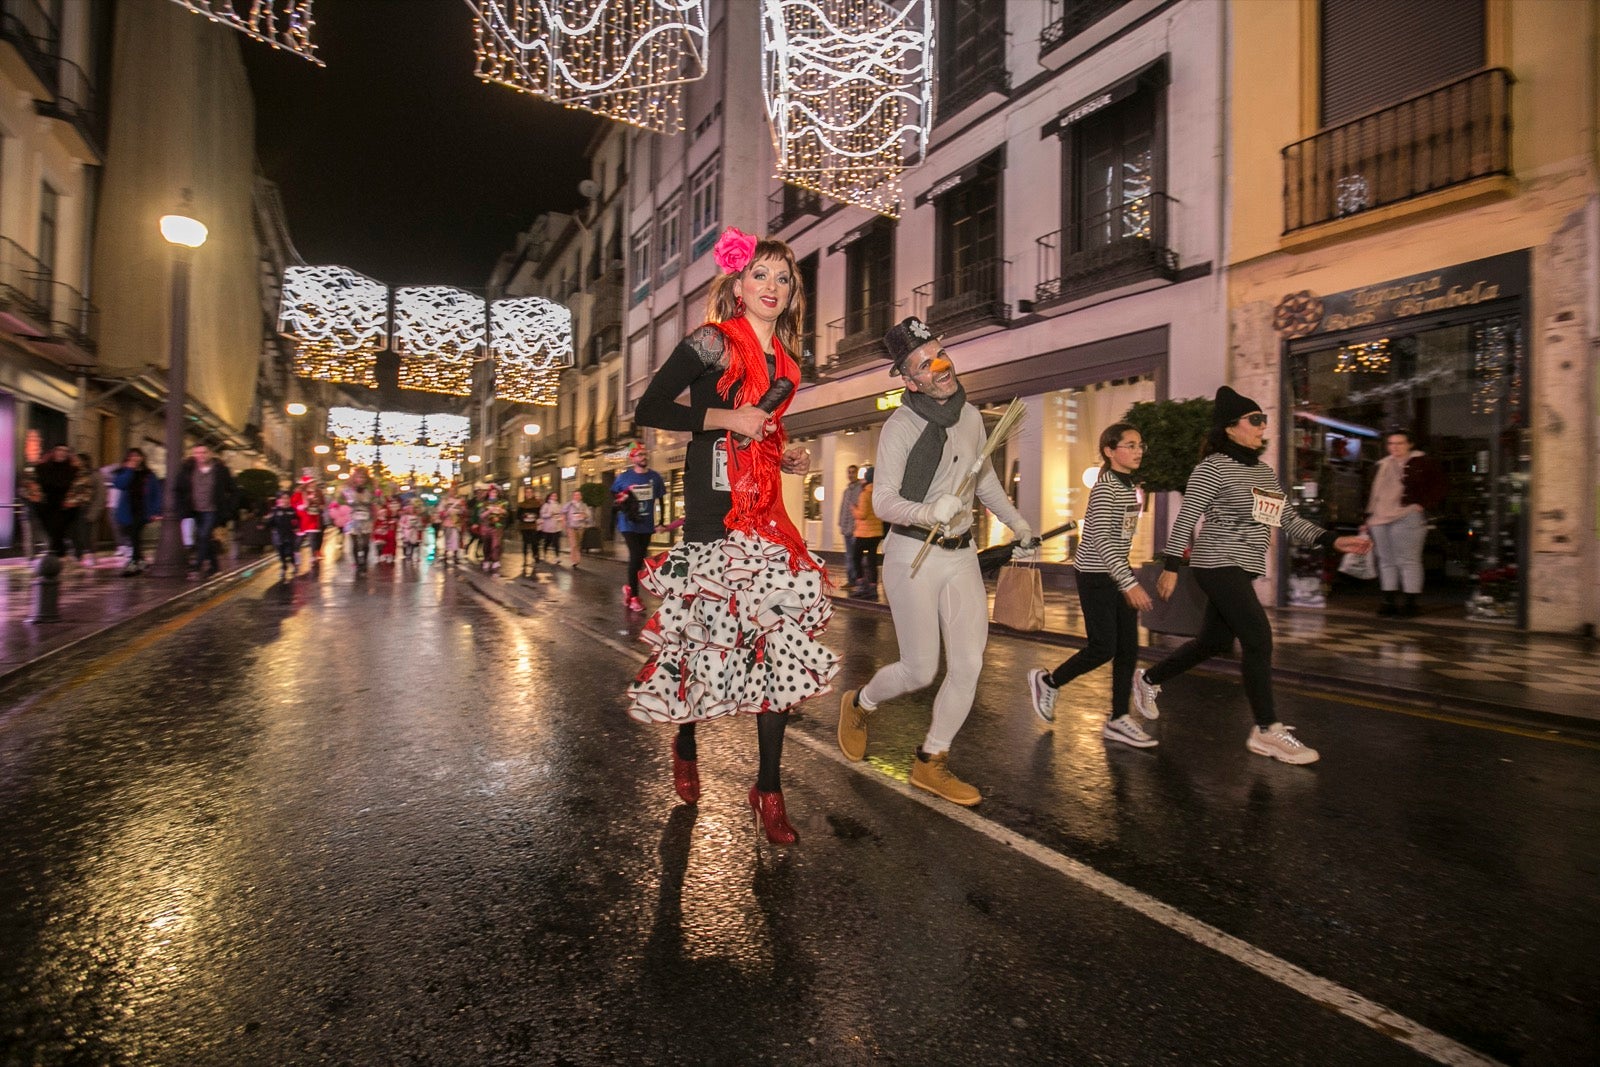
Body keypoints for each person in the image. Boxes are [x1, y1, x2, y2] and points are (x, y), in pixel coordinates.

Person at [628, 226, 837, 845]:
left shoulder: (790, 364)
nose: (772, 287)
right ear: (738, 285)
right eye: (761, 275)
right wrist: (724, 416)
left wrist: (785, 452)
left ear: (792, 292)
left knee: (777, 643)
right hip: (712, 511)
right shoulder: (713, 343)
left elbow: (763, 429)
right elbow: (650, 407)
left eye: (783, 278)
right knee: (703, 640)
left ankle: (768, 788)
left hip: (766, 508)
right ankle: (685, 741)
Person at [835, 317, 1035, 808]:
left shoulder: (970, 417)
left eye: (940, 353)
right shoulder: (900, 426)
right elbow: (882, 502)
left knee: (968, 664)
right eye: (925, 363)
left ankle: (931, 760)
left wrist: (1018, 524)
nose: (940, 365)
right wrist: (928, 512)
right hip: (910, 554)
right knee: (920, 670)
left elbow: (983, 480)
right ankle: (860, 703)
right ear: (909, 380)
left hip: (961, 552)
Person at [1142, 386, 1373, 765]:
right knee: (1258, 638)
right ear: (1231, 428)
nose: (1263, 427)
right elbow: (1186, 518)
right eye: (1256, 420)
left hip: (1242, 565)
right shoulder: (1211, 468)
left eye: (1264, 420)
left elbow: (1286, 519)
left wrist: (1333, 541)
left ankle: (1149, 679)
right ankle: (1267, 730)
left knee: (1213, 642)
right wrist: (1169, 567)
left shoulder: (1263, 472)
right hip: (1215, 561)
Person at [1027, 423, 1160, 747]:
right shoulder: (1106, 488)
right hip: (1097, 576)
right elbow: (1099, 539)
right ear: (1110, 451)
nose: (1138, 450)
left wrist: (1126, 578)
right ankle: (1049, 681)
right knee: (1104, 648)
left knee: (1128, 648)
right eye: (1130, 445)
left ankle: (1118, 718)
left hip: (1117, 573)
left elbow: (1119, 538)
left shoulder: (1128, 486)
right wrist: (1129, 583)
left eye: (1140, 444)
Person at [1361, 429, 1446, 617]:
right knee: (1385, 560)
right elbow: (1370, 493)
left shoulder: (1423, 463)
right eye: (1391, 444)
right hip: (1379, 517)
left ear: (1409, 444)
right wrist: (1366, 518)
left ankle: (1410, 603)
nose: (1395, 447)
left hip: (1407, 514)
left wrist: (1422, 504)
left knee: (1408, 559)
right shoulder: (1381, 465)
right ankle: (1388, 601)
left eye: (1399, 443)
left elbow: (1439, 487)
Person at [612, 445, 666, 613]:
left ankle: (629, 587)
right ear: (633, 459)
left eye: (645, 454)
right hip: (628, 523)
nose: (643, 457)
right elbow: (614, 494)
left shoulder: (655, 477)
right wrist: (622, 498)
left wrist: (661, 521)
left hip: (646, 524)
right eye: (639, 455)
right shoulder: (624, 477)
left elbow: (661, 500)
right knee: (635, 556)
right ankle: (634, 597)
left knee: (640, 559)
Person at [174, 444, 236, 578]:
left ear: (210, 453)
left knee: (203, 536)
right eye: (197, 453)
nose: (200, 456)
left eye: (203, 452)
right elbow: (178, 488)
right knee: (205, 538)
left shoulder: (220, 470)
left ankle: (197, 566)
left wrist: (229, 508)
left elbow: (233, 490)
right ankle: (214, 566)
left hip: (212, 510)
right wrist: (181, 505)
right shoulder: (188, 469)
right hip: (194, 509)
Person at [20, 445, 82, 558]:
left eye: (65, 451)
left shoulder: (74, 470)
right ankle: (55, 559)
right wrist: (36, 499)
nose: (62, 453)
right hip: (46, 507)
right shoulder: (42, 468)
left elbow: (80, 487)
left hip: (66, 509)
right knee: (52, 535)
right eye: (59, 450)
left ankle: (57, 558)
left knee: (59, 534)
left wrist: (72, 502)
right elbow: (28, 486)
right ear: (53, 452)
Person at [111, 448, 162, 575]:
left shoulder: (149, 474)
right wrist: (129, 470)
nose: (135, 458)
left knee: (134, 534)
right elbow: (120, 485)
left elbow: (156, 493)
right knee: (134, 537)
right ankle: (140, 561)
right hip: (127, 510)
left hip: (143, 510)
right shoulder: (124, 472)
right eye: (132, 456)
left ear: (142, 458)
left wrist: (156, 511)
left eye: (137, 456)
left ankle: (134, 562)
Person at [850, 466, 883, 599]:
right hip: (877, 532)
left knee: (855, 557)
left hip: (864, 533)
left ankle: (860, 585)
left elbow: (862, 514)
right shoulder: (879, 493)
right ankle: (873, 587)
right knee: (872, 560)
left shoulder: (865, 494)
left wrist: (854, 509)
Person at [74, 452, 106, 567]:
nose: (76, 462)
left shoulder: (95, 475)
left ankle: (92, 556)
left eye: (78, 460)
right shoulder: (74, 474)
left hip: (88, 509)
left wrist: (94, 512)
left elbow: (100, 496)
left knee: (90, 536)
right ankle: (78, 556)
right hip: (75, 509)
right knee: (76, 535)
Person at [342, 466, 376, 574]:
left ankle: (364, 563)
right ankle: (357, 563)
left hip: (366, 519)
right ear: (354, 478)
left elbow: (376, 502)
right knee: (355, 543)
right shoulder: (347, 490)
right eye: (358, 477)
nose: (360, 480)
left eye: (363, 478)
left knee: (366, 543)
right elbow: (342, 502)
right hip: (353, 519)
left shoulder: (369, 491)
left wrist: (376, 491)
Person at [292, 472, 324, 571]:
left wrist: (319, 505)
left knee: (312, 538)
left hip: (313, 518)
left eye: (313, 482)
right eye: (310, 483)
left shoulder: (318, 492)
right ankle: (297, 556)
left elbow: (322, 504)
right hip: (302, 519)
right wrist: (300, 507)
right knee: (299, 540)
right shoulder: (299, 493)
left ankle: (313, 556)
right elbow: (293, 503)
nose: (312, 484)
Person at [266, 490, 299, 581]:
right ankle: (284, 568)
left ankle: (292, 563)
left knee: (289, 552)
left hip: (289, 535)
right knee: (281, 554)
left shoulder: (292, 510)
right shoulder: (276, 510)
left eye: (287, 498)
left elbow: (297, 520)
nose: (285, 500)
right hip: (279, 536)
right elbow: (270, 523)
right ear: (279, 500)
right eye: (283, 498)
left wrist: (296, 527)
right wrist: (266, 522)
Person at [838, 463, 861, 588]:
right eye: (849, 472)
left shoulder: (861, 489)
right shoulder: (846, 491)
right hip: (846, 529)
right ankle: (851, 579)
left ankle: (858, 579)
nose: (851, 475)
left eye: (853, 472)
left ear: (857, 473)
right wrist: (841, 523)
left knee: (856, 555)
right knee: (848, 555)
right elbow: (843, 508)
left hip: (856, 529)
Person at [478, 485, 508, 573]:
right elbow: (481, 515)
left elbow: (506, 513)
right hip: (486, 526)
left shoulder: (502, 502)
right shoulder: (484, 503)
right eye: (492, 492)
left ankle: (495, 560)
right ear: (489, 493)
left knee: (496, 545)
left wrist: (501, 510)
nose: (493, 494)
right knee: (486, 544)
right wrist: (489, 511)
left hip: (497, 526)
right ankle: (486, 560)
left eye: (495, 492)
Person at [516, 489, 541, 573]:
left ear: (533, 493)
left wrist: (536, 517)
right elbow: (518, 515)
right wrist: (524, 517)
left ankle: (535, 555)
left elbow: (539, 513)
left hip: (533, 525)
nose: (529, 494)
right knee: (525, 543)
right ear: (525, 494)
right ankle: (525, 558)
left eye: (530, 492)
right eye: (527, 492)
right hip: (524, 526)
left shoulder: (537, 503)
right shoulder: (522, 504)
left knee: (534, 542)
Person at [562, 490, 590, 565]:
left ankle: (577, 559)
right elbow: (563, 513)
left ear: (581, 496)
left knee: (578, 544)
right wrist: (564, 521)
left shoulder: (584, 505)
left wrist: (584, 516)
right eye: (575, 495)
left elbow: (588, 515)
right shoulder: (569, 505)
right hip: (571, 527)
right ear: (573, 496)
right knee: (573, 544)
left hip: (581, 527)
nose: (577, 496)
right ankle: (574, 560)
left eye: (579, 495)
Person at [537, 490, 563, 562]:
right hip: (548, 527)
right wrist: (549, 515)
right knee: (548, 541)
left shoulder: (558, 505)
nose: (554, 497)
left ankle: (557, 557)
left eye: (555, 496)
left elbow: (560, 514)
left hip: (557, 527)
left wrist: (560, 518)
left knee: (556, 542)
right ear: (549, 497)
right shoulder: (546, 505)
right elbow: (542, 514)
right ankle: (544, 552)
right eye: (553, 496)